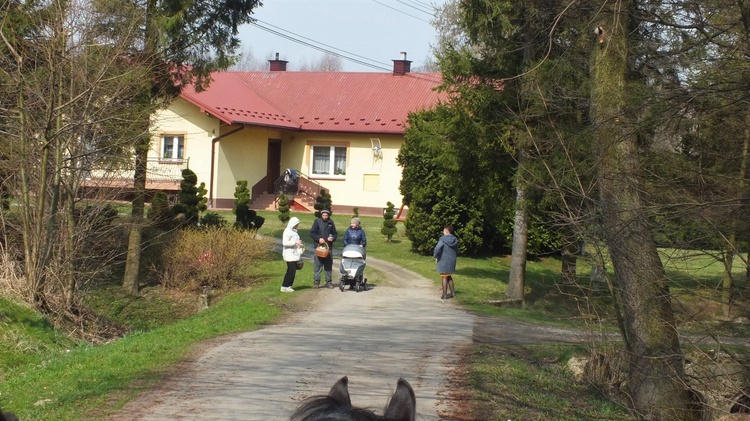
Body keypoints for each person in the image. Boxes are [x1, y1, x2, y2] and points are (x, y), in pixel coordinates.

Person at [310, 209, 337, 288]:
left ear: (328, 215)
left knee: (328, 266)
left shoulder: (331, 223)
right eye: (323, 215)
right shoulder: (317, 222)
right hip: (319, 247)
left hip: (329, 247)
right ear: (321, 215)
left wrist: (333, 238)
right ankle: (316, 283)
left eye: (326, 215)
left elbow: (335, 233)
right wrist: (318, 238)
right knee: (318, 266)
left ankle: (329, 282)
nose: (325, 217)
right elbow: (312, 233)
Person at [433, 224, 458, 299]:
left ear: (447, 230)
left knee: (444, 276)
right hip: (452, 260)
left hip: (444, 259)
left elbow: (438, 248)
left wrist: (436, 255)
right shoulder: (455, 239)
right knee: (448, 275)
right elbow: (457, 250)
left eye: (444, 230)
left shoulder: (442, 239)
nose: (443, 231)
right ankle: (453, 293)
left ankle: (444, 294)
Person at [281, 217, 304, 292]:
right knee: (291, 270)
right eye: (296, 224)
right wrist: (295, 243)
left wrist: (300, 245)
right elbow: (284, 243)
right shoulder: (287, 231)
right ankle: (285, 286)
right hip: (289, 254)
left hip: (294, 254)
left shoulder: (294, 232)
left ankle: (289, 285)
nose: (297, 226)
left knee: (293, 271)